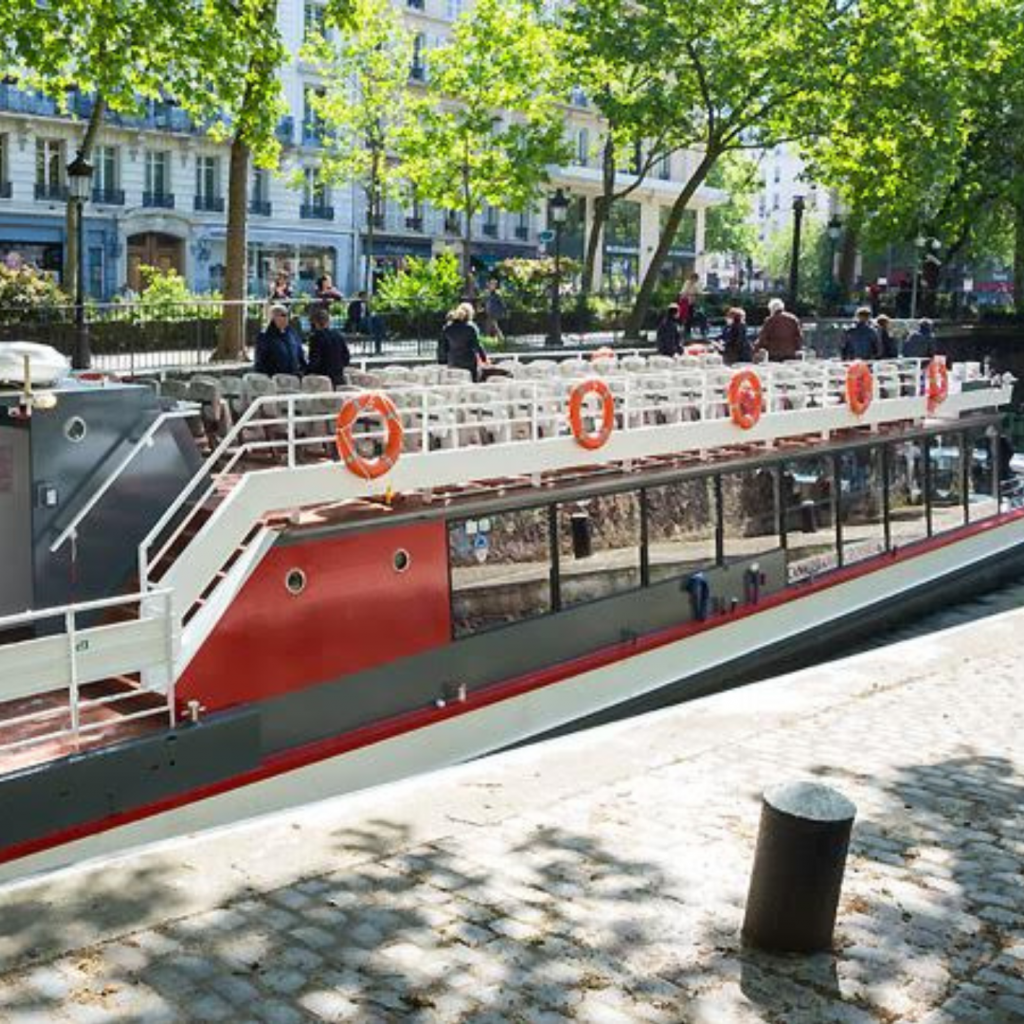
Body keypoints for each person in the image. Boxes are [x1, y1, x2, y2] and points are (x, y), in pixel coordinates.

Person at [438, 302, 488, 382]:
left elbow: (443, 347)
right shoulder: (471, 327)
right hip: (469, 362)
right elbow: (477, 345)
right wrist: (484, 359)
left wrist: (442, 361)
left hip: (453, 362)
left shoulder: (447, 328)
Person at [254, 304, 307, 376]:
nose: (286, 318)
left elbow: (300, 354)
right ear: (273, 317)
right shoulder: (265, 336)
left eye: (287, 315)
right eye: (283, 315)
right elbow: (260, 361)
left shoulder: (292, 333)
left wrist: (303, 370)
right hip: (275, 378)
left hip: (293, 377)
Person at [306, 306, 351, 386]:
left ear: (315, 322)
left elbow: (315, 361)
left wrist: (306, 372)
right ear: (328, 321)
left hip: (322, 380)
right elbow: (346, 357)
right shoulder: (338, 335)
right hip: (339, 378)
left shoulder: (315, 338)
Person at [755, 297, 803, 362]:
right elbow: (799, 336)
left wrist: (757, 348)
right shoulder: (793, 319)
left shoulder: (770, 320)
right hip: (791, 353)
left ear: (772, 309)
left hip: (774, 354)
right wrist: (798, 348)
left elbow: (763, 337)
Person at [345, 290, 387, 355]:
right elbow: (352, 316)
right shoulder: (354, 304)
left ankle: (378, 349)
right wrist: (363, 318)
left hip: (367, 324)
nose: (366, 298)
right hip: (359, 324)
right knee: (369, 321)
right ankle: (381, 332)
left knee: (377, 320)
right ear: (360, 297)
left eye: (366, 297)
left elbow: (368, 314)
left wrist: (371, 315)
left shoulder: (366, 305)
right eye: (365, 297)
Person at [677, 272, 703, 339]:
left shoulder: (697, 284)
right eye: (694, 279)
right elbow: (683, 292)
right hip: (685, 302)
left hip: (691, 303)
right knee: (684, 316)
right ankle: (684, 330)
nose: (695, 280)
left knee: (690, 317)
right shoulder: (687, 283)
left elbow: (699, 292)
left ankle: (687, 330)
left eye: (696, 279)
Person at [483, 278, 507, 343]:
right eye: (491, 284)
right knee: (491, 325)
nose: (491, 286)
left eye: (493, 284)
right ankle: (496, 338)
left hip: (495, 313)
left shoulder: (497, 294)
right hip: (489, 312)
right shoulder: (487, 293)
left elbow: (502, 304)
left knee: (493, 325)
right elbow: (485, 302)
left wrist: (503, 312)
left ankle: (499, 338)